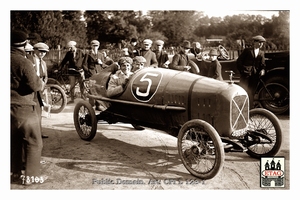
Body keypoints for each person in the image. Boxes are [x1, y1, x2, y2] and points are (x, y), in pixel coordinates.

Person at [11, 30, 46, 184]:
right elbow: (35, 85)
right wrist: (41, 82)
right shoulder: (23, 62)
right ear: (25, 44)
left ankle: (15, 173)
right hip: (23, 107)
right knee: (33, 141)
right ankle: (31, 177)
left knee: (13, 141)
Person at [237, 35, 266, 109]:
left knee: (252, 92)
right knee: (243, 90)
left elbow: (263, 64)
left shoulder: (261, 53)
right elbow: (239, 61)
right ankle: (241, 106)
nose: (261, 45)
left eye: (262, 43)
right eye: (260, 43)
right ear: (255, 42)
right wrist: (242, 70)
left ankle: (250, 108)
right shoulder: (247, 51)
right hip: (246, 74)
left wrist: (262, 70)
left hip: (255, 75)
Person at [32, 42, 50, 138]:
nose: (42, 54)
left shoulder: (43, 62)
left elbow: (45, 76)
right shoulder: (31, 60)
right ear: (35, 50)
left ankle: (39, 132)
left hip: (40, 89)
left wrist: (43, 85)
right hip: (31, 89)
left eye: (44, 52)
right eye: (41, 51)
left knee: (39, 111)